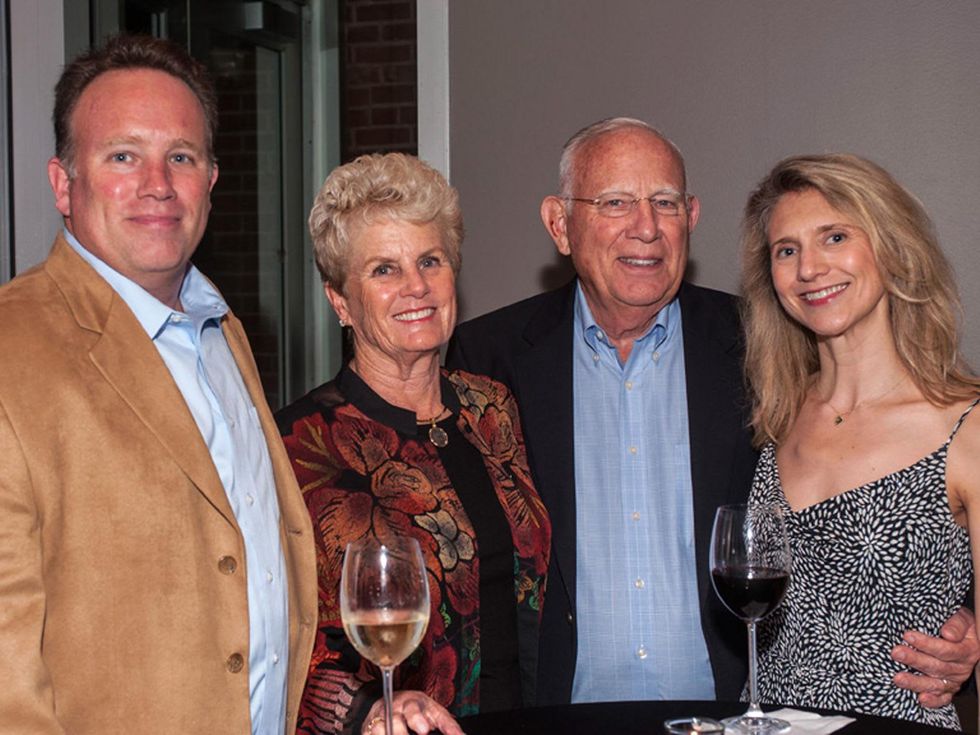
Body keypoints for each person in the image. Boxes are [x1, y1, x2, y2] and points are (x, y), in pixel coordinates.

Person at [446, 117, 979, 708]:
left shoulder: (762, 351)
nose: (646, 227)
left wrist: (961, 624)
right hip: (561, 717)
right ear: (559, 224)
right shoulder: (488, 359)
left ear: (691, 216)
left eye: (665, 203)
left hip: (734, 715)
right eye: (616, 202)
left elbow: (887, 512)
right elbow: (461, 556)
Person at [0, 36, 316, 734]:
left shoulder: (224, 332)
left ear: (211, 180)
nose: (157, 185)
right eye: (123, 156)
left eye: (181, 156)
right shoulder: (11, 352)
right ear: (63, 184)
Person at [275, 152, 551, 735]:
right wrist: (366, 709)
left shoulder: (492, 408)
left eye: (430, 260)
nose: (416, 286)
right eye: (384, 269)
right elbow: (280, 642)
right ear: (340, 301)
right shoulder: (296, 447)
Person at [740, 153, 980, 727]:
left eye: (835, 237)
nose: (809, 268)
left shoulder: (966, 427)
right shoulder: (773, 418)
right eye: (787, 250)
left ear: (891, 247)